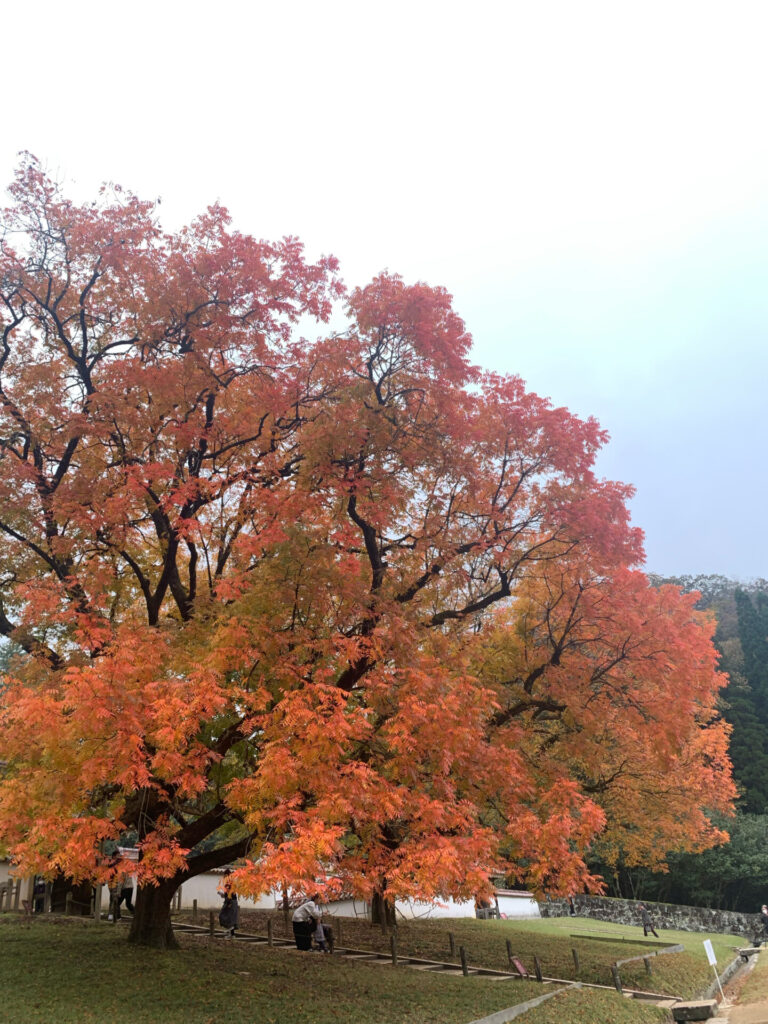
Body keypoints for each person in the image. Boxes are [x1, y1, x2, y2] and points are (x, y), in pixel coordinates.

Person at [218, 870, 239, 938]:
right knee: (230, 918)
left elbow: (232, 894)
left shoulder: (230, 883)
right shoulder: (228, 883)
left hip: (231, 902)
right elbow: (226, 895)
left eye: (225, 875)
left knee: (225, 916)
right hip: (230, 901)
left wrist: (229, 903)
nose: (224, 877)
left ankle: (230, 933)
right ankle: (231, 934)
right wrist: (221, 894)